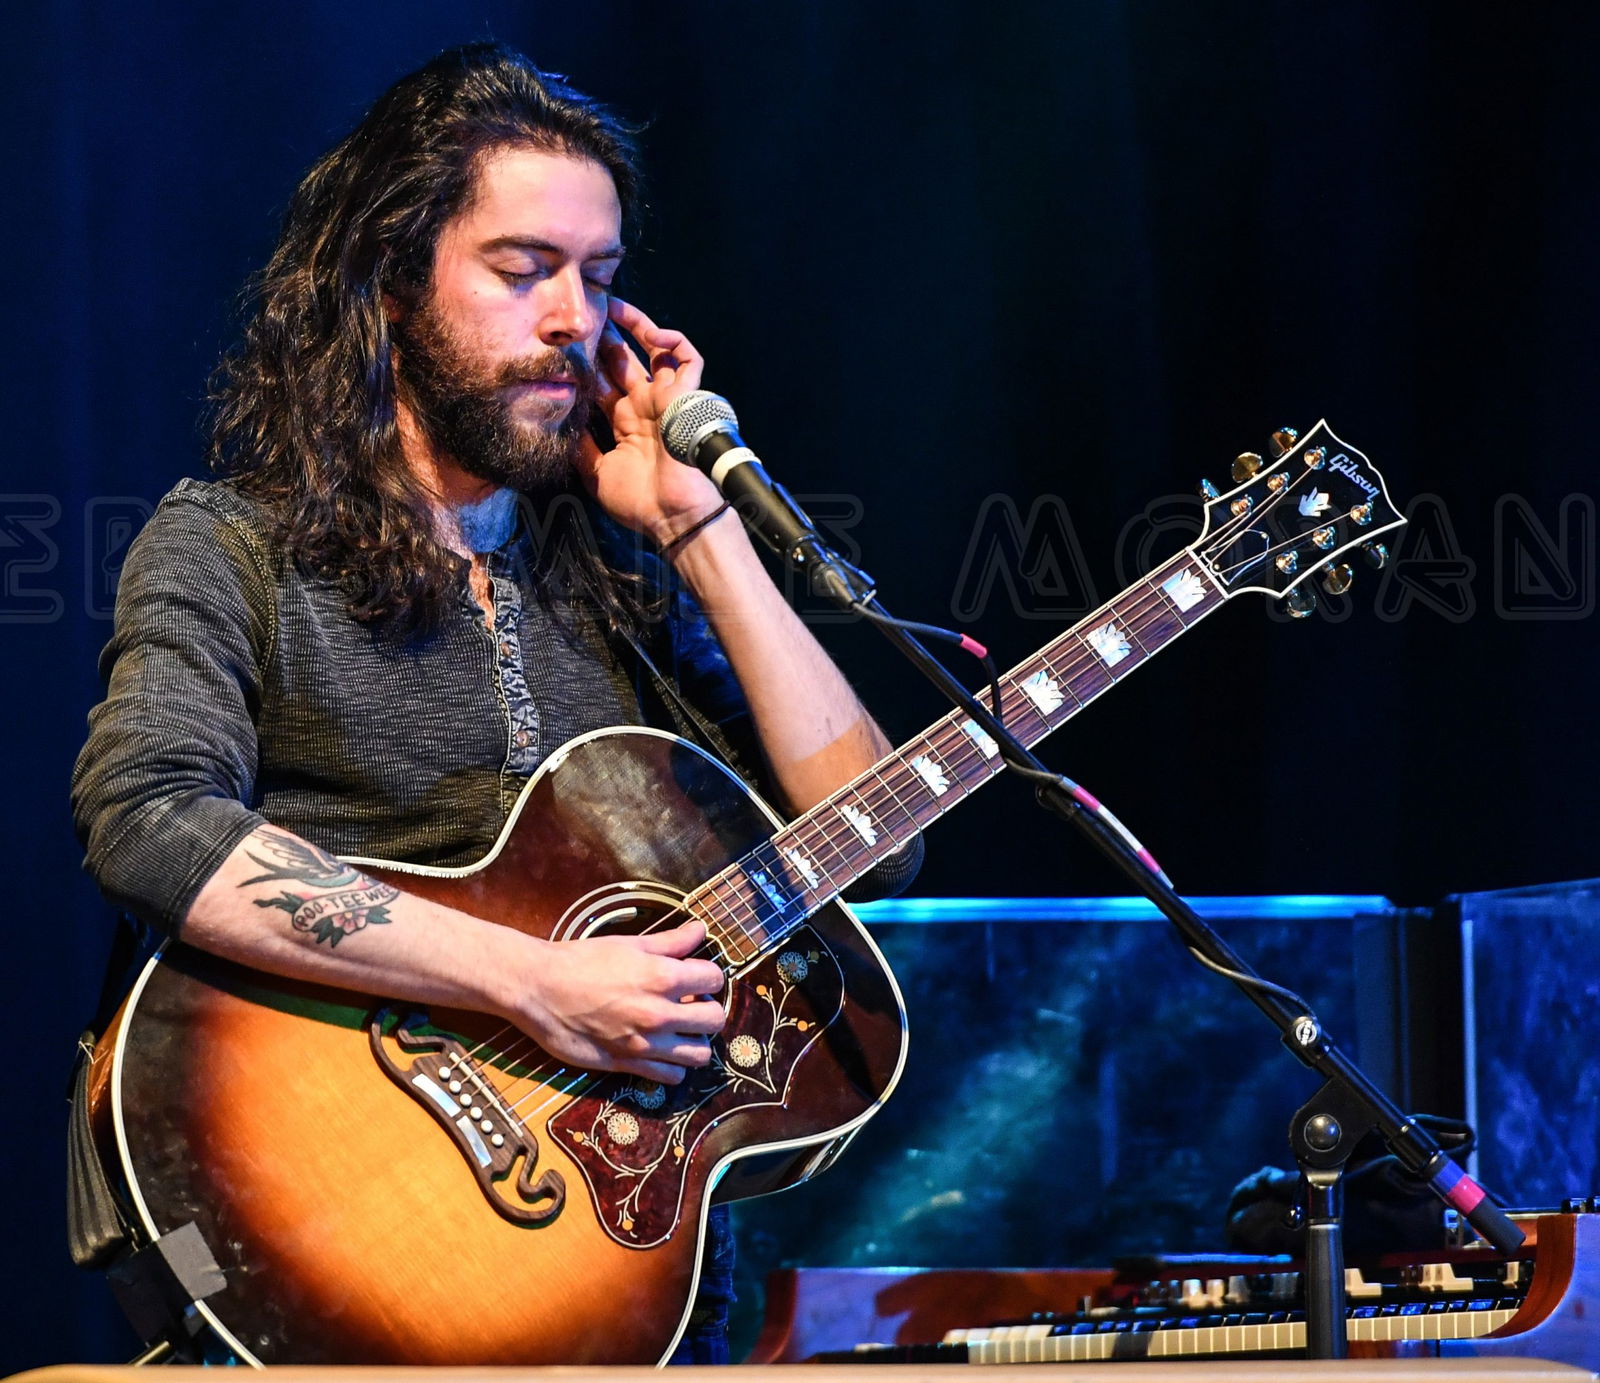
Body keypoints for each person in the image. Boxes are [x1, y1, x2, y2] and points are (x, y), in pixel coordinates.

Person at [71, 43, 918, 1365]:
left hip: (624, 1284)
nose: (573, 318)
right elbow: (149, 822)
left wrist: (702, 535)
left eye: (601, 276)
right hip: (336, 1211)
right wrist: (535, 983)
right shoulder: (232, 545)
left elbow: (873, 835)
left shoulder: (621, 582)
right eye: (523, 270)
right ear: (390, 282)